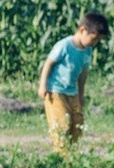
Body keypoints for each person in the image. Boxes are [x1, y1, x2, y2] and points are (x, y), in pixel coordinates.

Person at [40, 10, 109, 155]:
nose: (95, 43)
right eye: (94, 39)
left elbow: (83, 73)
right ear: (83, 30)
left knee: (77, 124)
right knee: (62, 125)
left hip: (72, 92)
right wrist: (43, 85)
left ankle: (71, 154)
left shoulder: (87, 50)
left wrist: (81, 94)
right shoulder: (64, 45)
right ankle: (61, 158)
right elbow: (48, 64)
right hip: (55, 91)